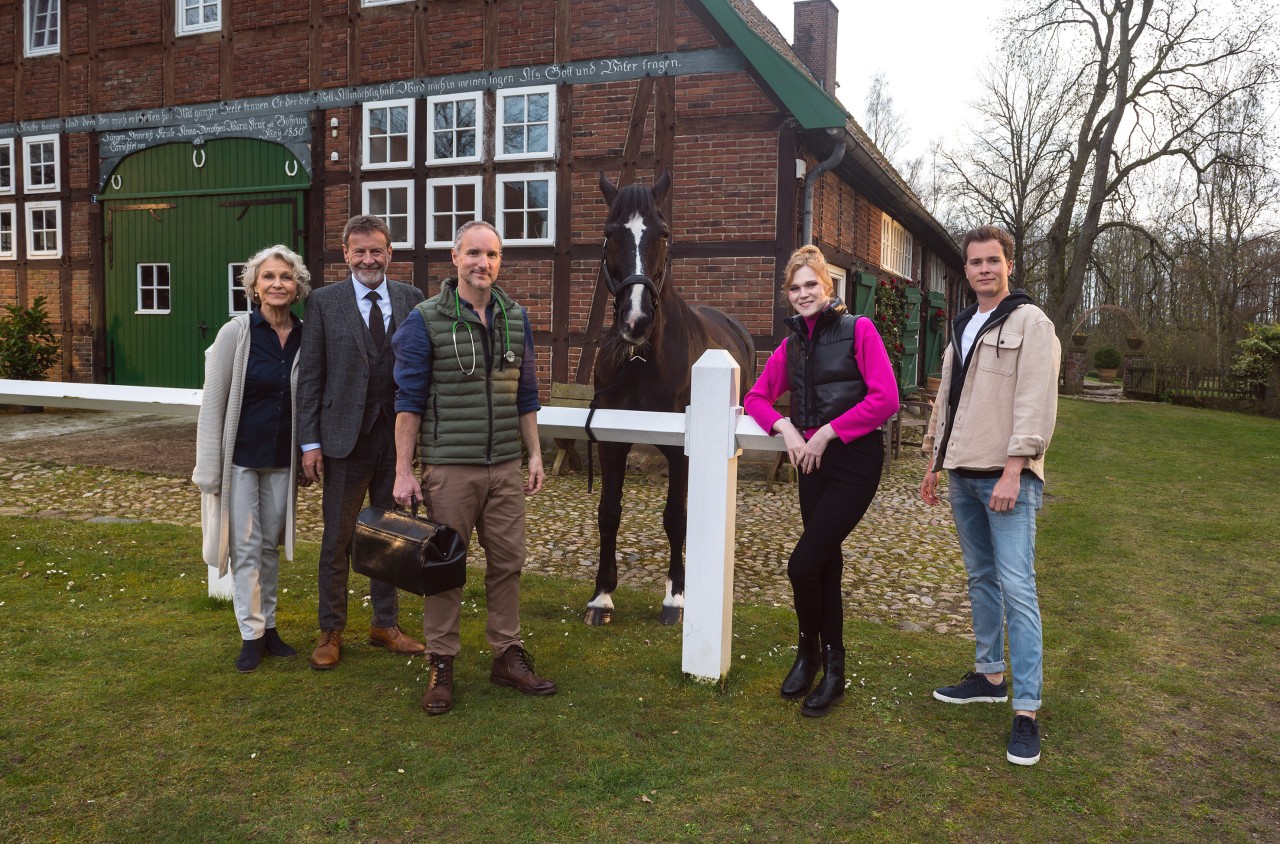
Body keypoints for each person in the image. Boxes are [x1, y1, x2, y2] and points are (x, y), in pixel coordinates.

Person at [391, 220, 555, 716]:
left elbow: (525, 395)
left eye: (493, 255)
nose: (484, 263)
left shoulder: (515, 317)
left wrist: (533, 453)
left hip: (505, 466)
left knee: (508, 563)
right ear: (454, 258)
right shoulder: (424, 321)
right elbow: (408, 402)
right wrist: (405, 469)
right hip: (449, 468)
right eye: (474, 254)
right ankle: (441, 663)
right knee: (445, 570)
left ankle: (507, 653)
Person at [920, 225, 1061, 766]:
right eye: (975, 262)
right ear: (966, 270)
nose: (984, 269)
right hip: (961, 473)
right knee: (980, 579)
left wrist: (1013, 470)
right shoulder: (962, 324)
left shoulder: (1032, 323)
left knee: (1018, 588)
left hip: (1006, 479)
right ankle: (989, 676)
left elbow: (1035, 403)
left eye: (993, 261)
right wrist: (934, 463)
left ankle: (1026, 711)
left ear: (1009, 266)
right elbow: (947, 403)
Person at [744, 245, 899, 717]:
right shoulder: (791, 346)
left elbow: (886, 398)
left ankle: (821, 658)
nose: (803, 293)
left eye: (811, 284)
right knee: (824, 565)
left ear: (828, 288)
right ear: (787, 296)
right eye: (795, 287)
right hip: (811, 467)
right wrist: (786, 427)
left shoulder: (859, 330)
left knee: (802, 565)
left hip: (855, 462)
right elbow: (756, 397)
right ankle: (820, 663)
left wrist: (827, 432)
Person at [296, 215, 427, 670]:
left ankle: (384, 625)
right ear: (346, 253)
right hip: (342, 439)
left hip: (397, 440)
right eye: (359, 251)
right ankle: (331, 629)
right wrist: (309, 442)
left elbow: (423, 373)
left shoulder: (413, 299)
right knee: (337, 538)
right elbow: (311, 376)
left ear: (390, 253)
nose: (368, 259)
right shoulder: (323, 303)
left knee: (390, 537)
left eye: (377, 250)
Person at [193, 244, 312, 673]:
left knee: (268, 547)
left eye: (286, 277)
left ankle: (271, 626)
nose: (278, 284)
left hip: (282, 458)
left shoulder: (304, 334)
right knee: (243, 547)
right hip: (240, 458)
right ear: (254, 287)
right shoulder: (236, 334)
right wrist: (208, 469)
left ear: (297, 286)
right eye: (269, 277)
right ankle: (251, 635)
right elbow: (214, 402)